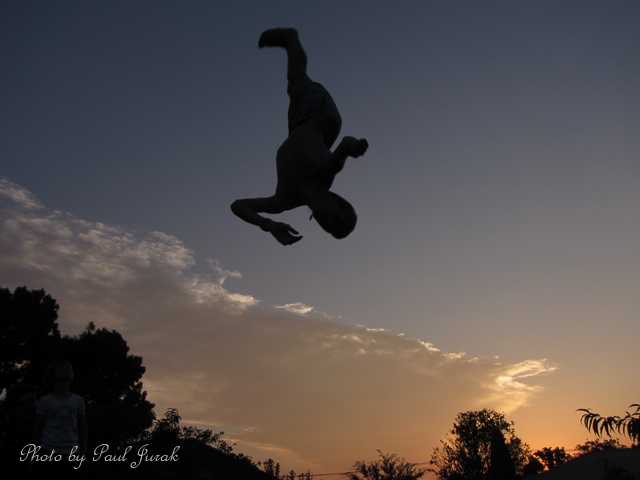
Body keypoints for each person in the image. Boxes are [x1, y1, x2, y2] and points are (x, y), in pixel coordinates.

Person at [231, 28, 369, 246]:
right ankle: (290, 37)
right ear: (336, 202)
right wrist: (353, 147)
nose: (328, 223)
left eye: (329, 229)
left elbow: (238, 205)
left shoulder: (283, 200)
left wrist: (268, 225)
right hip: (321, 116)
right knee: (296, 77)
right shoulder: (324, 172)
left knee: (293, 85)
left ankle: (290, 42)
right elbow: (344, 145)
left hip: (297, 124)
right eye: (336, 220)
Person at [34, 360, 88, 471]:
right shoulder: (45, 401)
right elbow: (38, 427)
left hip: (72, 452)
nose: (67, 369)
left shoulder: (78, 400)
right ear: (51, 378)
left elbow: (82, 426)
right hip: (48, 451)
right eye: (61, 368)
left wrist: (82, 451)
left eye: (69, 368)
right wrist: (33, 454)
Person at [1, 384, 38, 477]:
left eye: (32, 401)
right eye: (23, 404)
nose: (29, 407)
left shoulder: (56, 435)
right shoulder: (8, 445)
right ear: (13, 411)